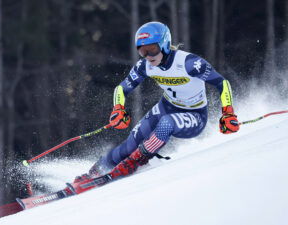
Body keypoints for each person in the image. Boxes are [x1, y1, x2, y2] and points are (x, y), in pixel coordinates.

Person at [74, 21, 240, 184]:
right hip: (166, 106)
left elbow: (222, 83)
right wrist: (118, 109)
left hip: (194, 114)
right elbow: (121, 89)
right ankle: (94, 172)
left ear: (165, 44)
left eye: (152, 50)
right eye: (142, 51)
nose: (148, 56)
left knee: (166, 123)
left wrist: (228, 113)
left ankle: (136, 161)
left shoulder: (189, 63)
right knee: (130, 144)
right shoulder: (145, 66)